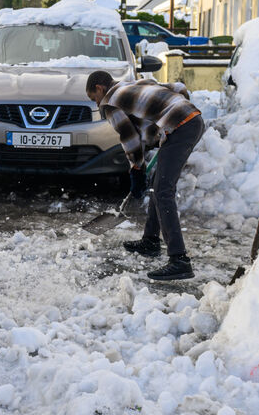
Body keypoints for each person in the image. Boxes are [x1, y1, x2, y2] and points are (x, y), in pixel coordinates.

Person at [85, 70, 205, 281]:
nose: (97, 104)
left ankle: (179, 260)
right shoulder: (133, 84)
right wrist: (174, 113)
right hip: (190, 121)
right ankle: (150, 241)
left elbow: (128, 136)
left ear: (99, 89)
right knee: (158, 185)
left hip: (181, 127)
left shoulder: (110, 102)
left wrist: (136, 168)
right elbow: (177, 88)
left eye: (94, 99)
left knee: (162, 191)